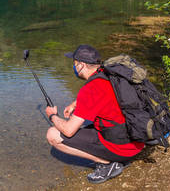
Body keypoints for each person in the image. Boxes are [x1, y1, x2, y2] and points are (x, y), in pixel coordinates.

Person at [45, 44, 144, 184]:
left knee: (53, 134)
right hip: (137, 140)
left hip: (123, 150)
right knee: (90, 121)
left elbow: (68, 130)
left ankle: (107, 164)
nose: (73, 67)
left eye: (74, 63)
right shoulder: (111, 74)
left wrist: (52, 115)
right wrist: (76, 103)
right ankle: (116, 157)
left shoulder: (90, 90)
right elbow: (103, 96)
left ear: (81, 65)